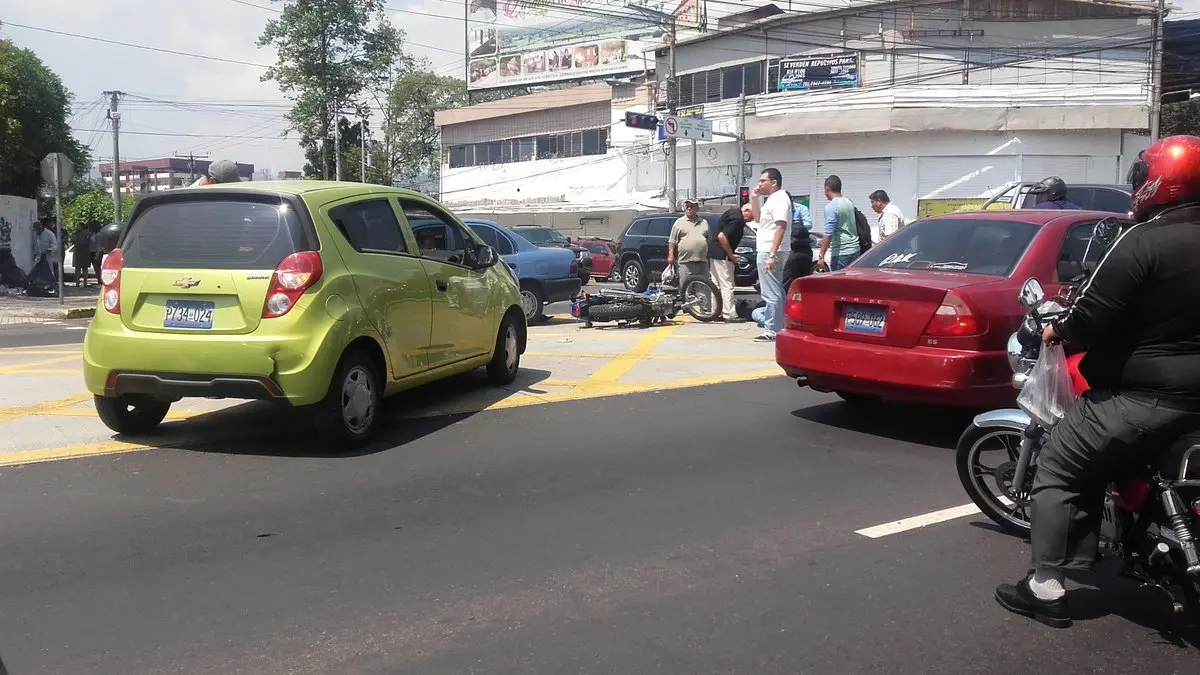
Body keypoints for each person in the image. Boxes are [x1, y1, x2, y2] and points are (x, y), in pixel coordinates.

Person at [994, 135, 1200, 629]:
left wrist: (1054, 329)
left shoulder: (1142, 241)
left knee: (1062, 462)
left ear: (1160, 182)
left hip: (1149, 396)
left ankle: (1045, 587)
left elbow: (1090, 317)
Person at [750, 168, 792, 342]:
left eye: (763, 181)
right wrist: (755, 198)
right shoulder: (772, 200)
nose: (760, 184)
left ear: (773, 182)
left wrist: (772, 255)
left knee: (771, 292)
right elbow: (758, 219)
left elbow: (780, 226)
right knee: (775, 290)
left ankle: (773, 330)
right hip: (768, 250)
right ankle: (778, 326)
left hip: (770, 250)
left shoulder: (780, 198)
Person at [709, 204, 751, 322]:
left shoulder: (732, 213)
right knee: (727, 284)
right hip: (723, 254)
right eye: (751, 217)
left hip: (714, 251)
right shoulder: (738, 219)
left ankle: (716, 312)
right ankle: (729, 314)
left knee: (716, 284)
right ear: (746, 211)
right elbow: (722, 236)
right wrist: (731, 255)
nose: (750, 220)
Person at [816, 175, 860, 271]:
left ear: (827, 189)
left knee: (839, 280)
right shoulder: (849, 202)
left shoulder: (831, 207)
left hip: (841, 252)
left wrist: (821, 256)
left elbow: (828, 233)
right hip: (855, 249)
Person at [666, 199, 710, 292]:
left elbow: (709, 239)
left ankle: (701, 302)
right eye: (687, 206)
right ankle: (685, 301)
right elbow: (672, 241)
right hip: (685, 262)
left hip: (702, 262)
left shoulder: (704, 222)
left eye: (692, 206)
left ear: (697, 209)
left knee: (704, 289)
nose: (689, 208)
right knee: (685, 289)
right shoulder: (679, 222)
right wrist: (670, 255)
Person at [781, 200, 814, 293]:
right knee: (791, 278)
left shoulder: (801, 208)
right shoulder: (781, 210)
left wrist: (793, 225)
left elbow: (808, 224)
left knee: (792, 279)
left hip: (797, 245)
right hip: (794, 246)